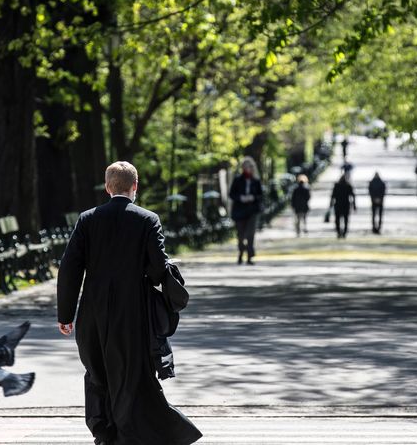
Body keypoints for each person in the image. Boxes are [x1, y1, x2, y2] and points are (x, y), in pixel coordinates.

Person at [57, 161, 202, 445]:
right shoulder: (148, 220)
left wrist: (66, 314)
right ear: (134, 186)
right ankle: (132, 431)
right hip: (133, 311)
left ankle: (104, 430)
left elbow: (70, 267)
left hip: (93, 311)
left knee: (97, 372)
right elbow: (158, 269)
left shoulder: (87, 220)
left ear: (108, 186)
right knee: (131, 373)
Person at [229, 157, 263, 265]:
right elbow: (231, 194)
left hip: (252, 211)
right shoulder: (237, 179)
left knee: (250, 234)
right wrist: (241, 198)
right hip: (239, 211)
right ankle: (240, 252)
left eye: (250, 166)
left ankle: (249, 256)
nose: (248, 168)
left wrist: (253, 197)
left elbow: (261, 195)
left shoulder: (256, 180)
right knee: (240, 235)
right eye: (246, 166)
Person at [330, 174, 356, 239]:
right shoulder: (348, 186)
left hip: (338, 204)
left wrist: (331, 204)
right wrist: (354, 205)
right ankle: (344, 232)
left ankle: (339, 232)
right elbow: (352, 196)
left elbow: (333, 196)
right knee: (346, 219)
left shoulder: (337, 185)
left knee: (337, 219)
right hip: (346, 204)